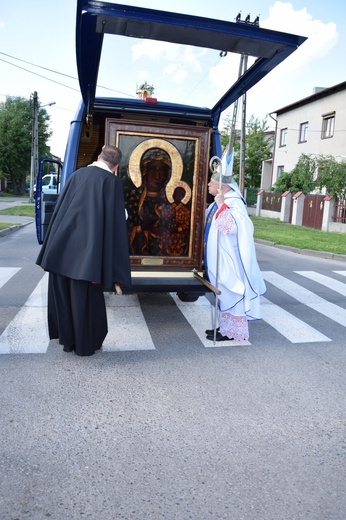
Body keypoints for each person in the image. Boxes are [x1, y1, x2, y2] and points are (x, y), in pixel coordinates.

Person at [36, 145, 131, 356]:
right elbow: (117, 219)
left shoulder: (77, 175)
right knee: (84, 301)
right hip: (86, 256)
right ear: (116, 167)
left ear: (99, 157)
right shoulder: (111, 182)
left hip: (61, 250)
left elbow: (61, 209)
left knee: (64, 298)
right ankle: (84, 346)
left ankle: (67, 342)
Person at [204, 172, 266, 342]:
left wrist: (222, 205)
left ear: (221, 187)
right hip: (220, 258)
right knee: (223, 293)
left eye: (212, 182)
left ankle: (232, 331)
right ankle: (225, 327)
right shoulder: (221, 201)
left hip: (231, 260)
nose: (208, 185)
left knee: (233, 292)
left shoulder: (233, 203)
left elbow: (232, 229)